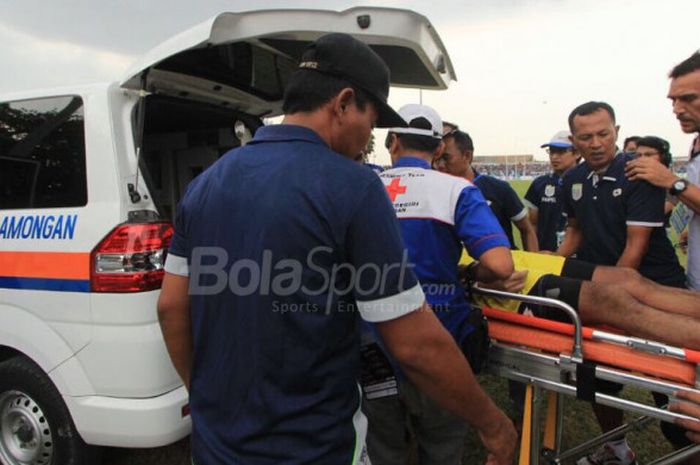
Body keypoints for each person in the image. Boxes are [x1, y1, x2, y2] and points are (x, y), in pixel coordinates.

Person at [156, 34, 516, 465]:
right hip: (314, 447)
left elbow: (171, 306)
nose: (370, 137)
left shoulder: (207, 182)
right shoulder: (353, 186)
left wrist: (205, 395)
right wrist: (493, 423)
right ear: (344, 103)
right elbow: (414, 343)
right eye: (371, 119)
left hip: (216, 446)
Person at [362, 104, 517, 465]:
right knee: (443, 446)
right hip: (438, 339)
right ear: (437, 150)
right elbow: (501, 264)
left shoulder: (363, 186)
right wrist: (470, 273)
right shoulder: (456, 191)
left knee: (382, 448)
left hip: (370, 342)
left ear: (393, 142)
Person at [557, 101, 687, 465]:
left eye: (604, 134)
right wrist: (546, 263)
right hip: (603, 292)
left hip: (654, 292)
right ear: (574, 140)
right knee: (596, 380)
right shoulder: (572, 179)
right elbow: (575, 233)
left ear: (616, 130)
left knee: (671, 388)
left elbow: (634, 252)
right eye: (586, 137)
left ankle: (687, 452)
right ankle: (616, 449)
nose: (596, 143)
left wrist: (604, 300)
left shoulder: (636, 176)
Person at [460, 249, 700, 350]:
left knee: (628, 279)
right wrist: (473, 276)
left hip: (502, 258)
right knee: (610, 299)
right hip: (493, 284)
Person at [626, 50, 700, 292]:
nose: (677, 109)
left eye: (688, 98)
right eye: (673, 100)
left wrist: (672, 182)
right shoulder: (696, 142)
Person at [437, 127, 539, 251]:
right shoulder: (436, 192)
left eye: (446, 158)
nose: (440, 165)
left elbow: (526, 230)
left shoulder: (498, 189)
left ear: (467, 156)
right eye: (438, 158)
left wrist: (532, 264)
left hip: (502, 267)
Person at [524, 130, 580, 251]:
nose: (554, 157)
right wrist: (533, 254)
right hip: (546, 255)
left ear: (577, 153)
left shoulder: (588, 182)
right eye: (551, 152)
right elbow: (532, 224)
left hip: (581, 257)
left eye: (561, 152)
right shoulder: (539, 184)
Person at [633, 136, 677, 227]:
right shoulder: (632, 179)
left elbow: (658, 212)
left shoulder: (671, 183)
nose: (642, 159)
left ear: (663, 158)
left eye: (648, 155)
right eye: (638, 155)